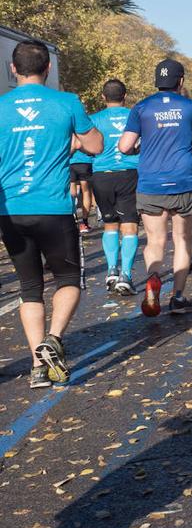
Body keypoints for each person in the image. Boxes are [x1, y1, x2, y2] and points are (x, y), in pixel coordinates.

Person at [0, 40, 102, 388]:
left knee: (30, 289)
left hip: (11, 211)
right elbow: (96, 146)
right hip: (54, 209)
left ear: (12, 70)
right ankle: (54, 339)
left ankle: (38, 368)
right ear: (47, 69)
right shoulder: (66, 102)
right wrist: (73, 139)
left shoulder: (1, 107)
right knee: (69, 281)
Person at [118, 58, 192, 315]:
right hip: (183, 180)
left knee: (155, 240)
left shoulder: (141, 108)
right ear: (180, 81)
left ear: (156, 81)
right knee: (182, 240)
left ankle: (153, 278)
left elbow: (124, 146)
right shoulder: (191, 107)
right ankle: (178, 298)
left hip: (151, 182)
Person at [89, 78, 141, 296]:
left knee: (110, 224)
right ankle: (126, 275)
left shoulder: (94, 119)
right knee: (129, 225)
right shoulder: (135, 115)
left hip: (101, 175)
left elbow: (87, 148)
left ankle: (111, 270)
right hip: (129, 173)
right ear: (125, 96)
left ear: (103, 97)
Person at [68, 140, 95, 233]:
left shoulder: (69, 128)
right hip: (85, 162)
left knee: (71, 193)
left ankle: (73, 219)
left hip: (70, 162)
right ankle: (85, 223)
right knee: (86, 192)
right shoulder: (85, 129)